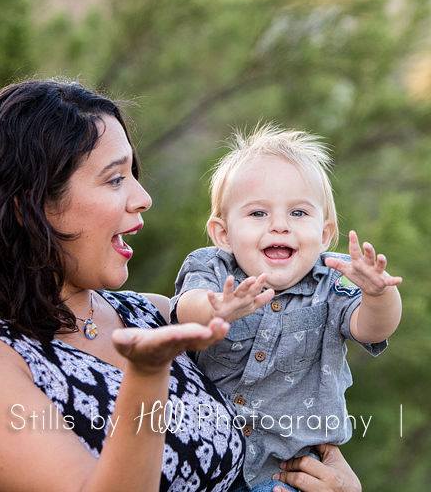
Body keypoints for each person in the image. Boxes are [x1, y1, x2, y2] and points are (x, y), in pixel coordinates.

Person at [0, 79, 361, 492]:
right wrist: (146, 374)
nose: (142, 198)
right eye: (115, 178)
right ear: (32, 204)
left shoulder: (157, 313)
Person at [172, 125, 402, 490]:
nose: (280, 225)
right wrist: (217, 309)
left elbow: (373, 328)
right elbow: (186, 310)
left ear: (324, 234)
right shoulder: (212, 268)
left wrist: (378, 295)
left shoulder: (332, 279)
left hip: (287, 472)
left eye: (298, 213)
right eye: (258, 214)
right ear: (223, 233)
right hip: (205, 464)